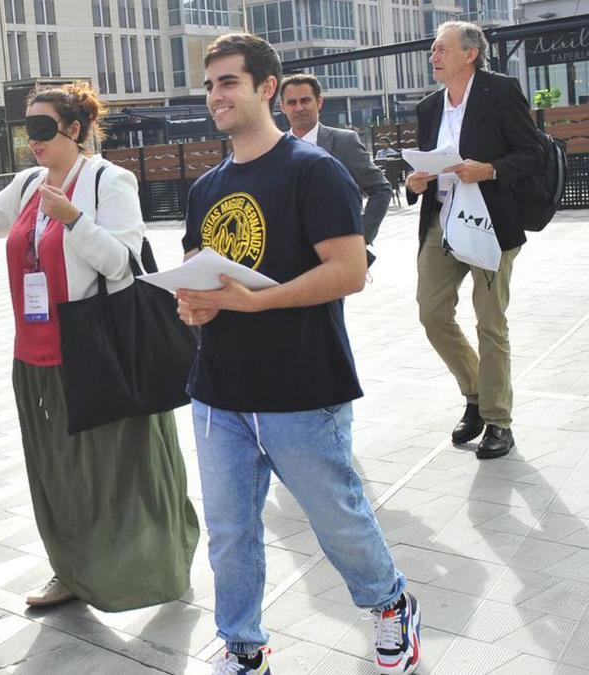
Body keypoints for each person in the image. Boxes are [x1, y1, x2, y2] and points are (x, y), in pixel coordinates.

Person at [0, 81, 199, 612]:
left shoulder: (111, 180)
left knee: (121, 471)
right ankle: (72, 571)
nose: (32, 142)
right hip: (35, 354)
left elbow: (123, 263)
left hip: (96, 349)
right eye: (27, 131)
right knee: (58, 473)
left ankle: (156, 566)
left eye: (42, 129)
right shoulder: (29, 184)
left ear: (75, 129)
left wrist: (74, 221)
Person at [175, 34, 420, 674]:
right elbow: (198, 275)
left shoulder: (314, 171)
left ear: (265, 89)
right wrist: (192, 304)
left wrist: (261, 302)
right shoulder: (206, 187)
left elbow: (347, 272)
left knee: (337, 520)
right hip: (218, 389)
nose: (215, 96)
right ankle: (244, 646)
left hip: (302, 386)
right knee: (230, 534)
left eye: (228, 82)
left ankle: (391, 604)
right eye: (209, 85)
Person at [405, 21, 543, 460]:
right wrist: (415, 181)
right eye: (432, 50)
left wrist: (490, 170)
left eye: (441, 49)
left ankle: (498, 420)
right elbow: (420, 166)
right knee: (431, 313)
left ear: (470, 54)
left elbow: (532, 152)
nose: (433, 56)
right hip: (442, 224)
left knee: (490, 324)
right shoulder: (429, 106)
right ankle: (476, 395)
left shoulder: (499, 91)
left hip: (490, 225)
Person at [280, 73, 392, 266]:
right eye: (291, 102)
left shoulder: (344, 142)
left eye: (305, 100)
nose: (299, 108)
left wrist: (361, 237)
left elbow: (380, 189)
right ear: (282, 107)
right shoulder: (274, 149)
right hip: (287, 255)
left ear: (319, 102)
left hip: (335, 256)